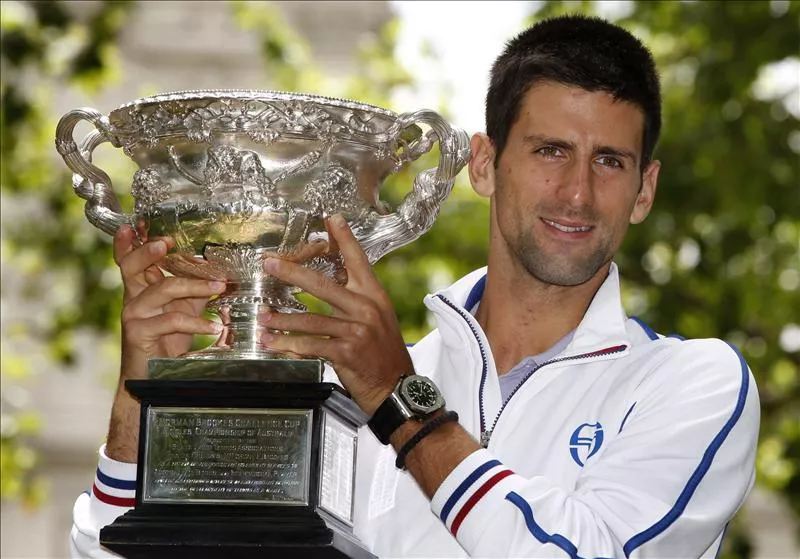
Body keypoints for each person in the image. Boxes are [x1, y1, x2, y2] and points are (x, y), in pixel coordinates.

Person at [71, 13, 759, 558]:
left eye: (609, 161)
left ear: (645, 190)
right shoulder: (339, 396)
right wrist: (139, 399)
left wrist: (400, 401)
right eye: (550, 151)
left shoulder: (692, 383)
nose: (577, 193)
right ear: (483, 164)